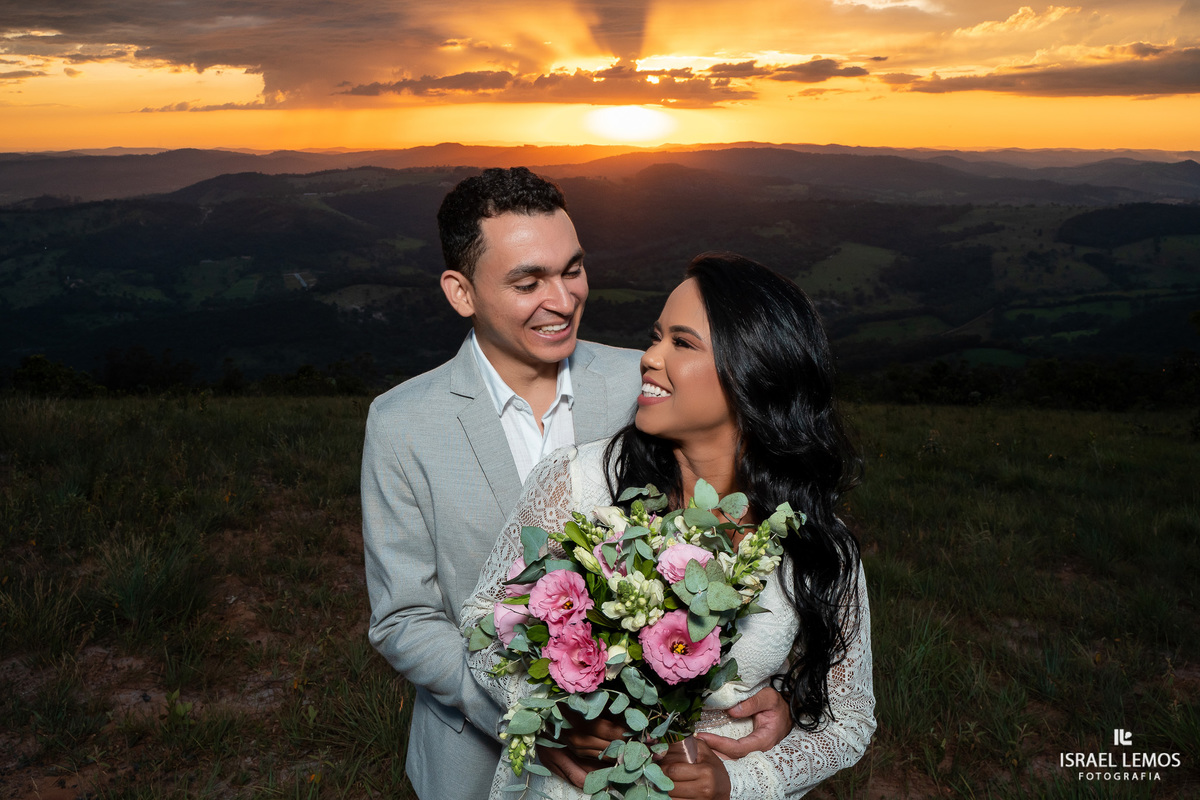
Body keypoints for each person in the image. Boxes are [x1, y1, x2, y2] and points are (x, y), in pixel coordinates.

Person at [362, 170, 792, 800]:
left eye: (573, 270)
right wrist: (536, 720)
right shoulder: (401, 423)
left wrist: (754, 691)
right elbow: (404, 618)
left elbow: (743, 537)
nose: (563, 300)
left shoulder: (647, 384)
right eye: (527, 281)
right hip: (471, 766)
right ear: (461, 292)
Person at [460, 253, 876, 800]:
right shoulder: (578, 483)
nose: (649, 357)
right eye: (656, 336)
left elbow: (849, 722)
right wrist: (548, 718)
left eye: (682, 343)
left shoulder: (819, 546)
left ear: (755, 371)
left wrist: (738, 781)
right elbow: (480, 620)